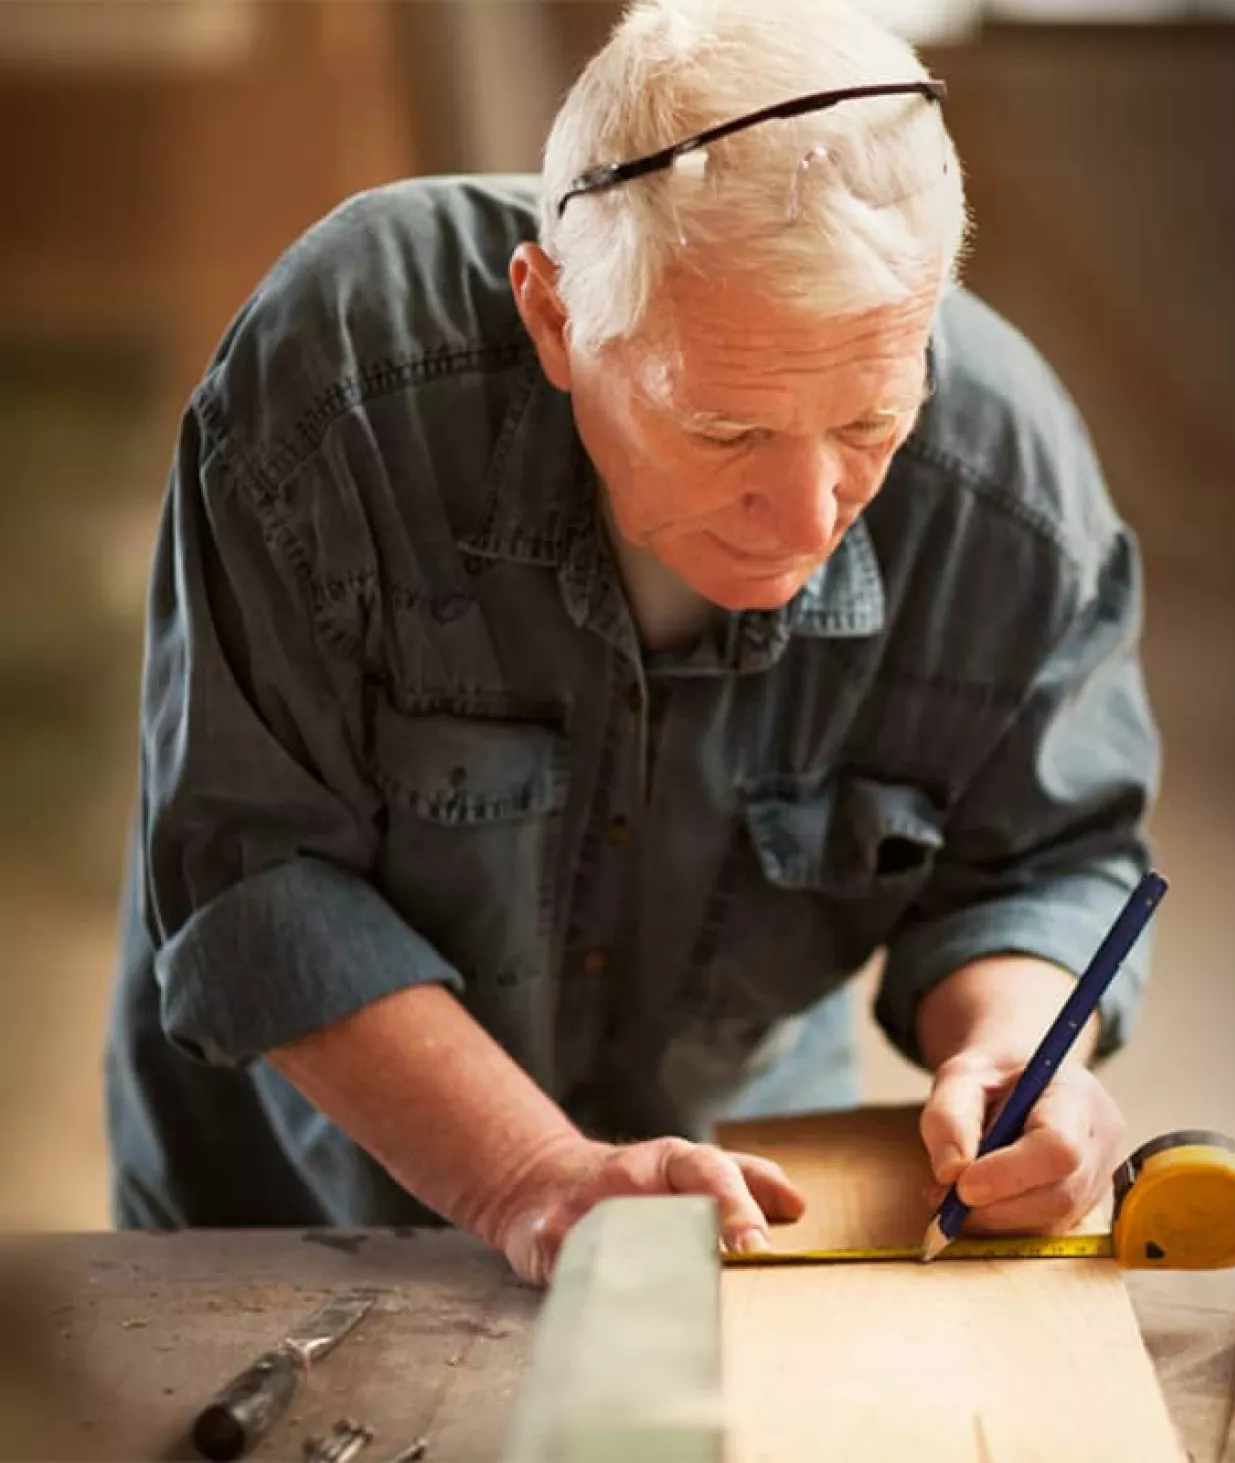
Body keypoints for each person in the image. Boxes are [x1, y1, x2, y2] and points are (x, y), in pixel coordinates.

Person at [104, 0, 1160, 1284]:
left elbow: (1044, 860)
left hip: (741, 1198)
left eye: (870, 424)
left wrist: (1015, 1044)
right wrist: (526, 1173)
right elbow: (248, 866)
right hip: (311, 1200)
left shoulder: (1015, 494)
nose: (812, 511)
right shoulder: (341, 386)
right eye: (727, 432)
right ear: (552, 317)